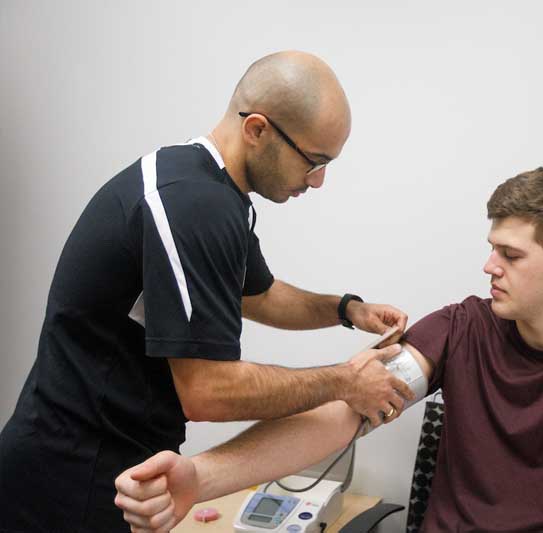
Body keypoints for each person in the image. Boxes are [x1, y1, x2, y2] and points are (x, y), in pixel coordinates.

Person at [114, 166, 543, 532]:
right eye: (491, 247)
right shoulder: (460, 329)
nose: (489, 266)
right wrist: (199, 477)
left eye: (511, 256)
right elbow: (341, 416)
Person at [0, 51, 415, 533]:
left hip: (115, 465)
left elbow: (257, 294)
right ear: (257, 129)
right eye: (314, 161)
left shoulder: (210, 189)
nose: (318, 181)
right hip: (72, 475)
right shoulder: (193, 205)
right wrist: (345, 381)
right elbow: (207, 392)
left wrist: (346, 310)